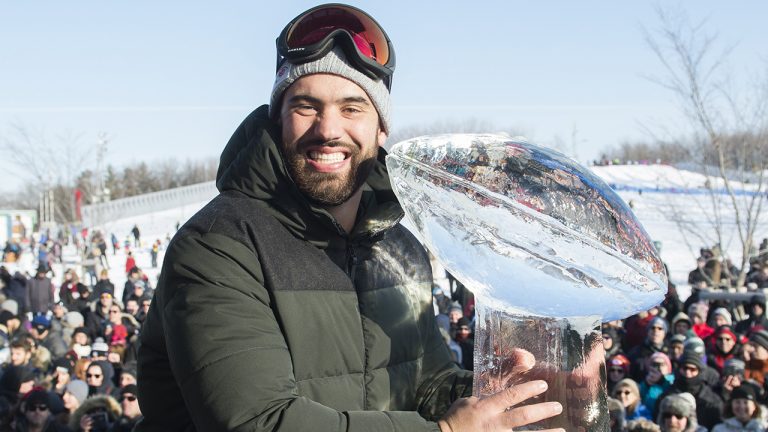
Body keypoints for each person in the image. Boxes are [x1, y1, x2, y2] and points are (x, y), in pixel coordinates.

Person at [136, 4, 563, 431]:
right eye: (306, 106)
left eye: (353, 108)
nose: (328, 129)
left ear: (381, 130)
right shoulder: (219, 245)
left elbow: (426, 385)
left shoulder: (399, 250)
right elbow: (256, 422)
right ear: (277, 120)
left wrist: (514, 395)